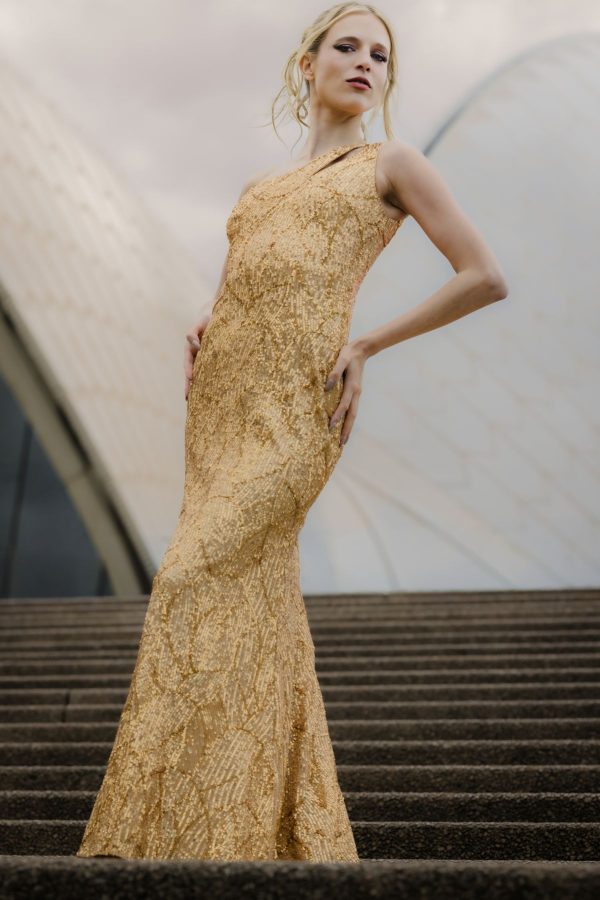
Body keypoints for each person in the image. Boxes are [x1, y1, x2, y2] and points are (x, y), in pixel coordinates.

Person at [75, 2, 508, 862]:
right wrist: (208, 317)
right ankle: (270, 832)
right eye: (345, 47)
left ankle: (160, 830)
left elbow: (484, 276)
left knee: (190, 578)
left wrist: (369, 342)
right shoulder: (258, 191)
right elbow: (254, 280)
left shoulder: (393, 163)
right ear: (305, 65)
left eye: (379, 55)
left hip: (299, 410)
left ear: (386, 79)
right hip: (223, 406)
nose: (363, 62)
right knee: (259, 608)